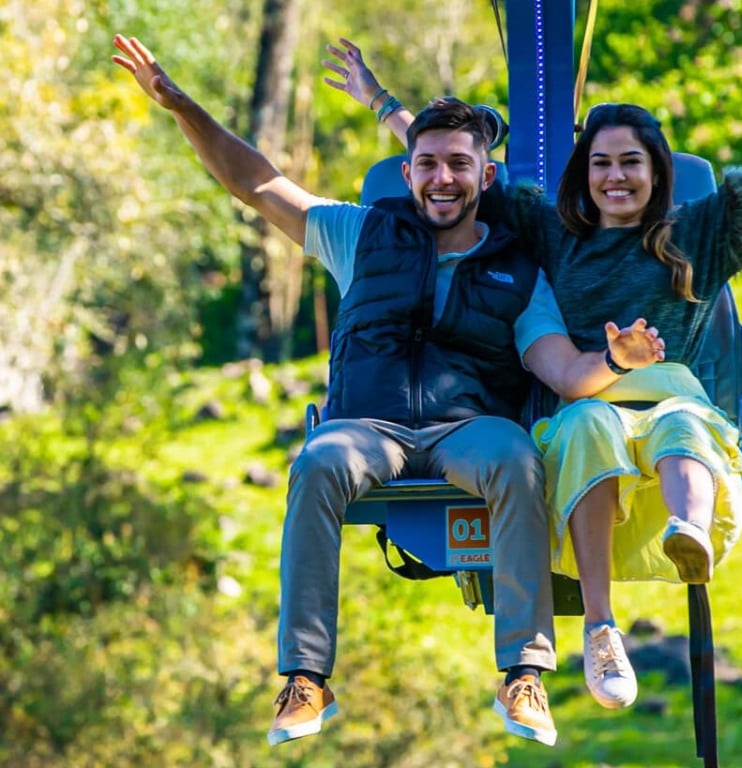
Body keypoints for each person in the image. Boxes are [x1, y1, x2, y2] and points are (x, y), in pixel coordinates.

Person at [325, 38, 742, 711]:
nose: (614, 177)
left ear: (655, 171)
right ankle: (601, 627)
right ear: (582, 175)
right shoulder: (551, 231)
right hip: (589, 399)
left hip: (667, 401)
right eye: (600, 164)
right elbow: (453, 168)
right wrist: (382, 102)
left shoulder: (699, 234)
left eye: (629, 163)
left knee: (680, 422)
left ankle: (689, 530)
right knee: (591, 423)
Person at [111, 35, 669, 748]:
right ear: (407, 173)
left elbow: (562, 372)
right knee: (315, 462)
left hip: (467, 427)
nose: (442, 178)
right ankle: (306, 677)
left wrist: (613, 362)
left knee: (515, 458)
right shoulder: (358, 234)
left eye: (458, 165)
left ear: (485, 175)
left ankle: (523, 674)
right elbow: (255, 182)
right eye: (428, 164)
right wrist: (182, 106)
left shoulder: (515, 271)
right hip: (367, 424)